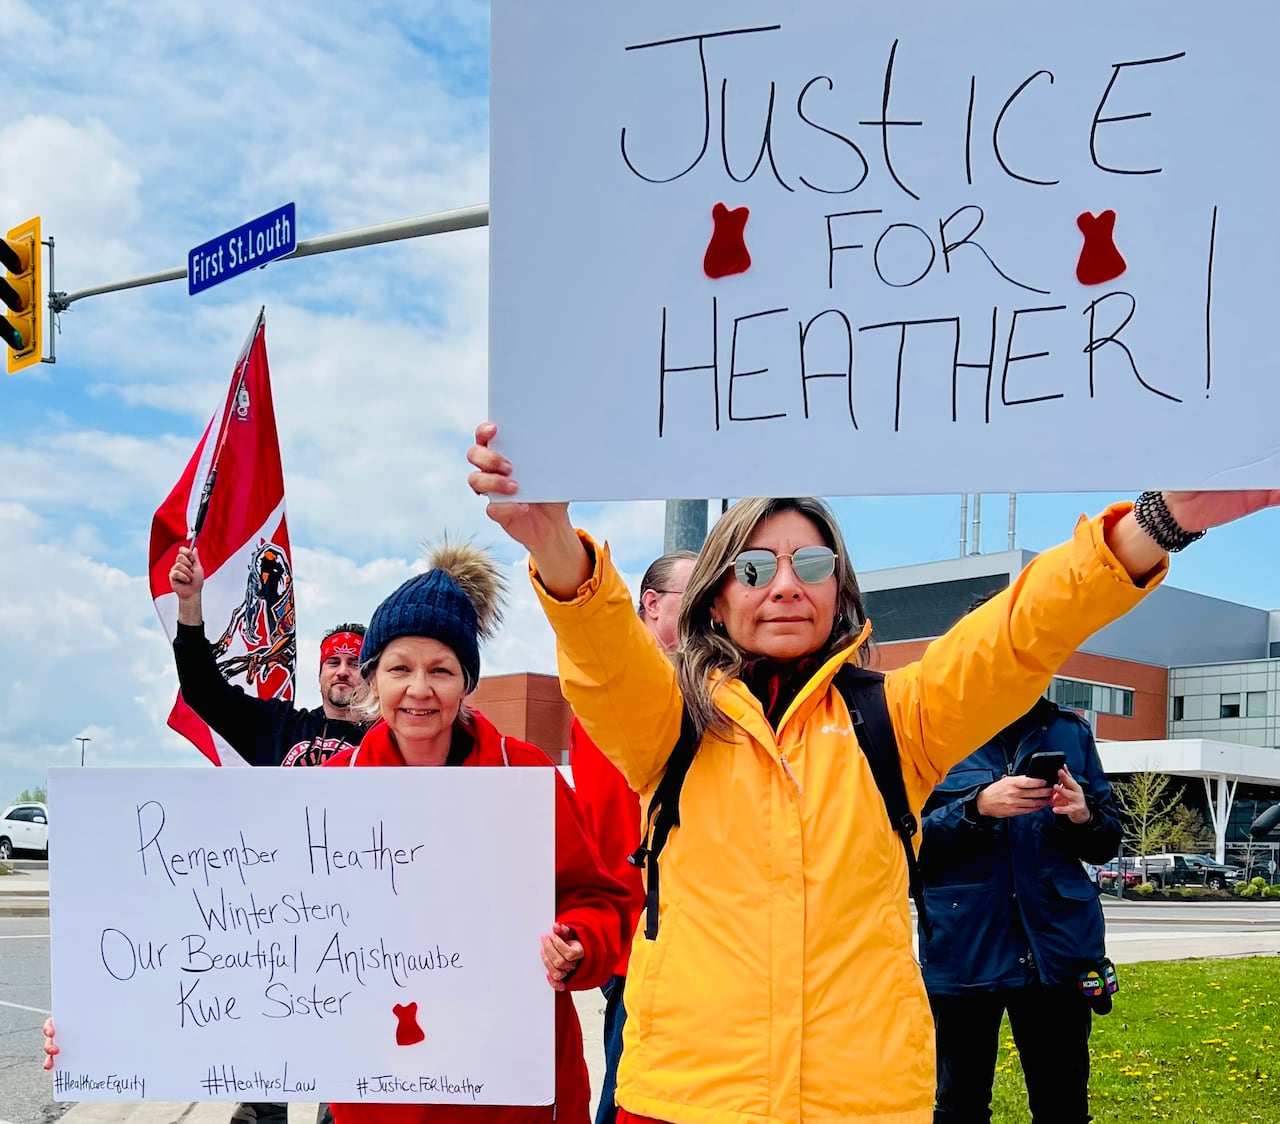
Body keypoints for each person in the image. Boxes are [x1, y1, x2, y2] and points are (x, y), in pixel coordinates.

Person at [467, 419, 1279, 1124]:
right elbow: (604, 655)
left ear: (841, 590)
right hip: (684, 1101)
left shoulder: (900, 719)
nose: (785, 585)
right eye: (754, 569)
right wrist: (551, 541)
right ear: (714, 599)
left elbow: (1018, 633)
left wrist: (1159, 522)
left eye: (811, 566)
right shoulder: (668, 723)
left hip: (864, 1101)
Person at [324, 540, 630, 1123]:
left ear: (466, 682)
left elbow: (598, 898)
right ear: (373, 680)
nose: (419, 689)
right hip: (385, 1091)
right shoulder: (338, 785)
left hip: (511, 1088)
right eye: (399, 669)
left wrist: (579, 944)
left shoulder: (526, 773)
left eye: (441, 669)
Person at [171, 543, 369, 1124]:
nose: (343, 671)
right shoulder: (278, 727)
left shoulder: (395, 748)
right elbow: (202, 691)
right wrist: (191, 606)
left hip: (355, 935)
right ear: (319, 671)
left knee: (346, 1094)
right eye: (334, 661)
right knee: (262, 1101)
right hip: (277, 929)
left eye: (357, 661)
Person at [918, 681, 1122, 1124]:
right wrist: (975, 808)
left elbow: (1107, 842)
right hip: (965, 947)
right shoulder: (933, 728)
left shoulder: (1071, 731)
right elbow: (900, 840)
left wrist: (1082, 815)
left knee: (1063, 1105)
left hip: (1058, 949)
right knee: (959, 1105)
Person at [570, 551, 695, 1124]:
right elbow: (612, 824)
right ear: (651, 605)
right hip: (637, 939)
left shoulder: (698, 696)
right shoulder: (620, 697)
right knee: (628, 1094)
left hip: (682, 936)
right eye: (692, 603)